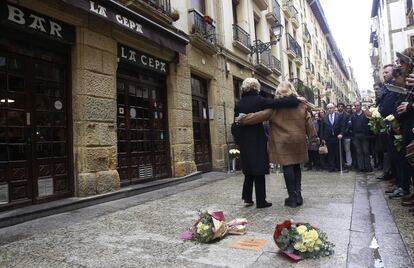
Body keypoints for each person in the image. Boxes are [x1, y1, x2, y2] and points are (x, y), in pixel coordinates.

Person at [237, 81, 318, 208]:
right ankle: (298, 195)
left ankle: (291, 197)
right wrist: (314, 137)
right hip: (298, 140)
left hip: (283, 142)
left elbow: (259, 116)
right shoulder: (301, 105)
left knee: (288, 166)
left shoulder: (275, 108)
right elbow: (309, 122)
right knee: (297, 166)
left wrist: (242, 119)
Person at [320, 103, 345, 172]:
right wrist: (323, 138)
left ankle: (339, 166)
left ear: (334, 108)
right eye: (328, 108)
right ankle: (332, 167)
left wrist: (341, 134)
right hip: (328, 138)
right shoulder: (324, 118)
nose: (330, 110)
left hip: (337, 137)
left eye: (331, 108)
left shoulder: (339, 116)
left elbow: (342, 126)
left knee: (338, 152)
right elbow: (322, 129)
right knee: (330, 153)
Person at [350, 101, 372, 172]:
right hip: (356, 135)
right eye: (355, 106)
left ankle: (368, 167)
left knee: (366, 151)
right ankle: (361, 167)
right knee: (359, 152)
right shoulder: (353, 115)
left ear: (360, 106)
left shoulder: (365, 114)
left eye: (358, 105)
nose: (356, 107)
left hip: (364, 135)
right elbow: (351, 125)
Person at [338, 103, 352, 170]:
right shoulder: (336, 115)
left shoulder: (347, 115)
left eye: (341, 106)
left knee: (347, 150)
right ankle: (342, 164)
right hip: (338, 136)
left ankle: (349, 164)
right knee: (340, 151)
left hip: (346, 136)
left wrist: (343, 133)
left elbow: (348, 126)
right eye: (339, 106)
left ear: (343, 108)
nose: (340, 108)